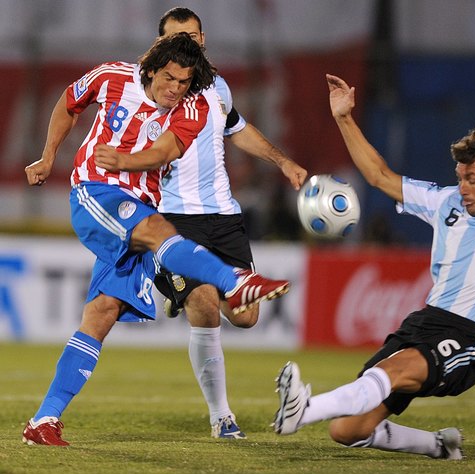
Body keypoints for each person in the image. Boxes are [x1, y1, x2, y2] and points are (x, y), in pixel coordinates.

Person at [272, 74, 475, 460]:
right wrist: (344, 117)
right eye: (459, 177)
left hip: (469, 337)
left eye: (471, 179)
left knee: (392, 374)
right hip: (422, 323)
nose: (461, 187)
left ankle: (304, 408)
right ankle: (437, 446)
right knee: (347, 429)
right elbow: (379, 175)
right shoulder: (443, 203)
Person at [22, 33, 289, 447]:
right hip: (97, 192)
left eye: (184, 81)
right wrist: (48, 154)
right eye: (168, 78)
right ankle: (233, 281)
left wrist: (128, 160)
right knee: (160, 232)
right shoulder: (112, 76)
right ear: (150, 69)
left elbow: (166, 150)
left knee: (102, 311)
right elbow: (68, 102)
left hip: (142, 206)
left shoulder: (196, 106)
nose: (175, 88)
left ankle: (44, 421)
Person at [150, 7, 307, 439]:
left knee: (247, 316)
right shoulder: (150, 87)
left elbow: (237, 129)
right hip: (175, 216)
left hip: (223, 216)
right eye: (177, 36)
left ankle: (174, 287)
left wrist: (283, 161)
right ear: (160, 43)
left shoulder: (218, 86)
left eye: (194, 35)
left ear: (203, 39)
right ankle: (222, 417)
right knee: (204, 305)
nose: (188, 41)